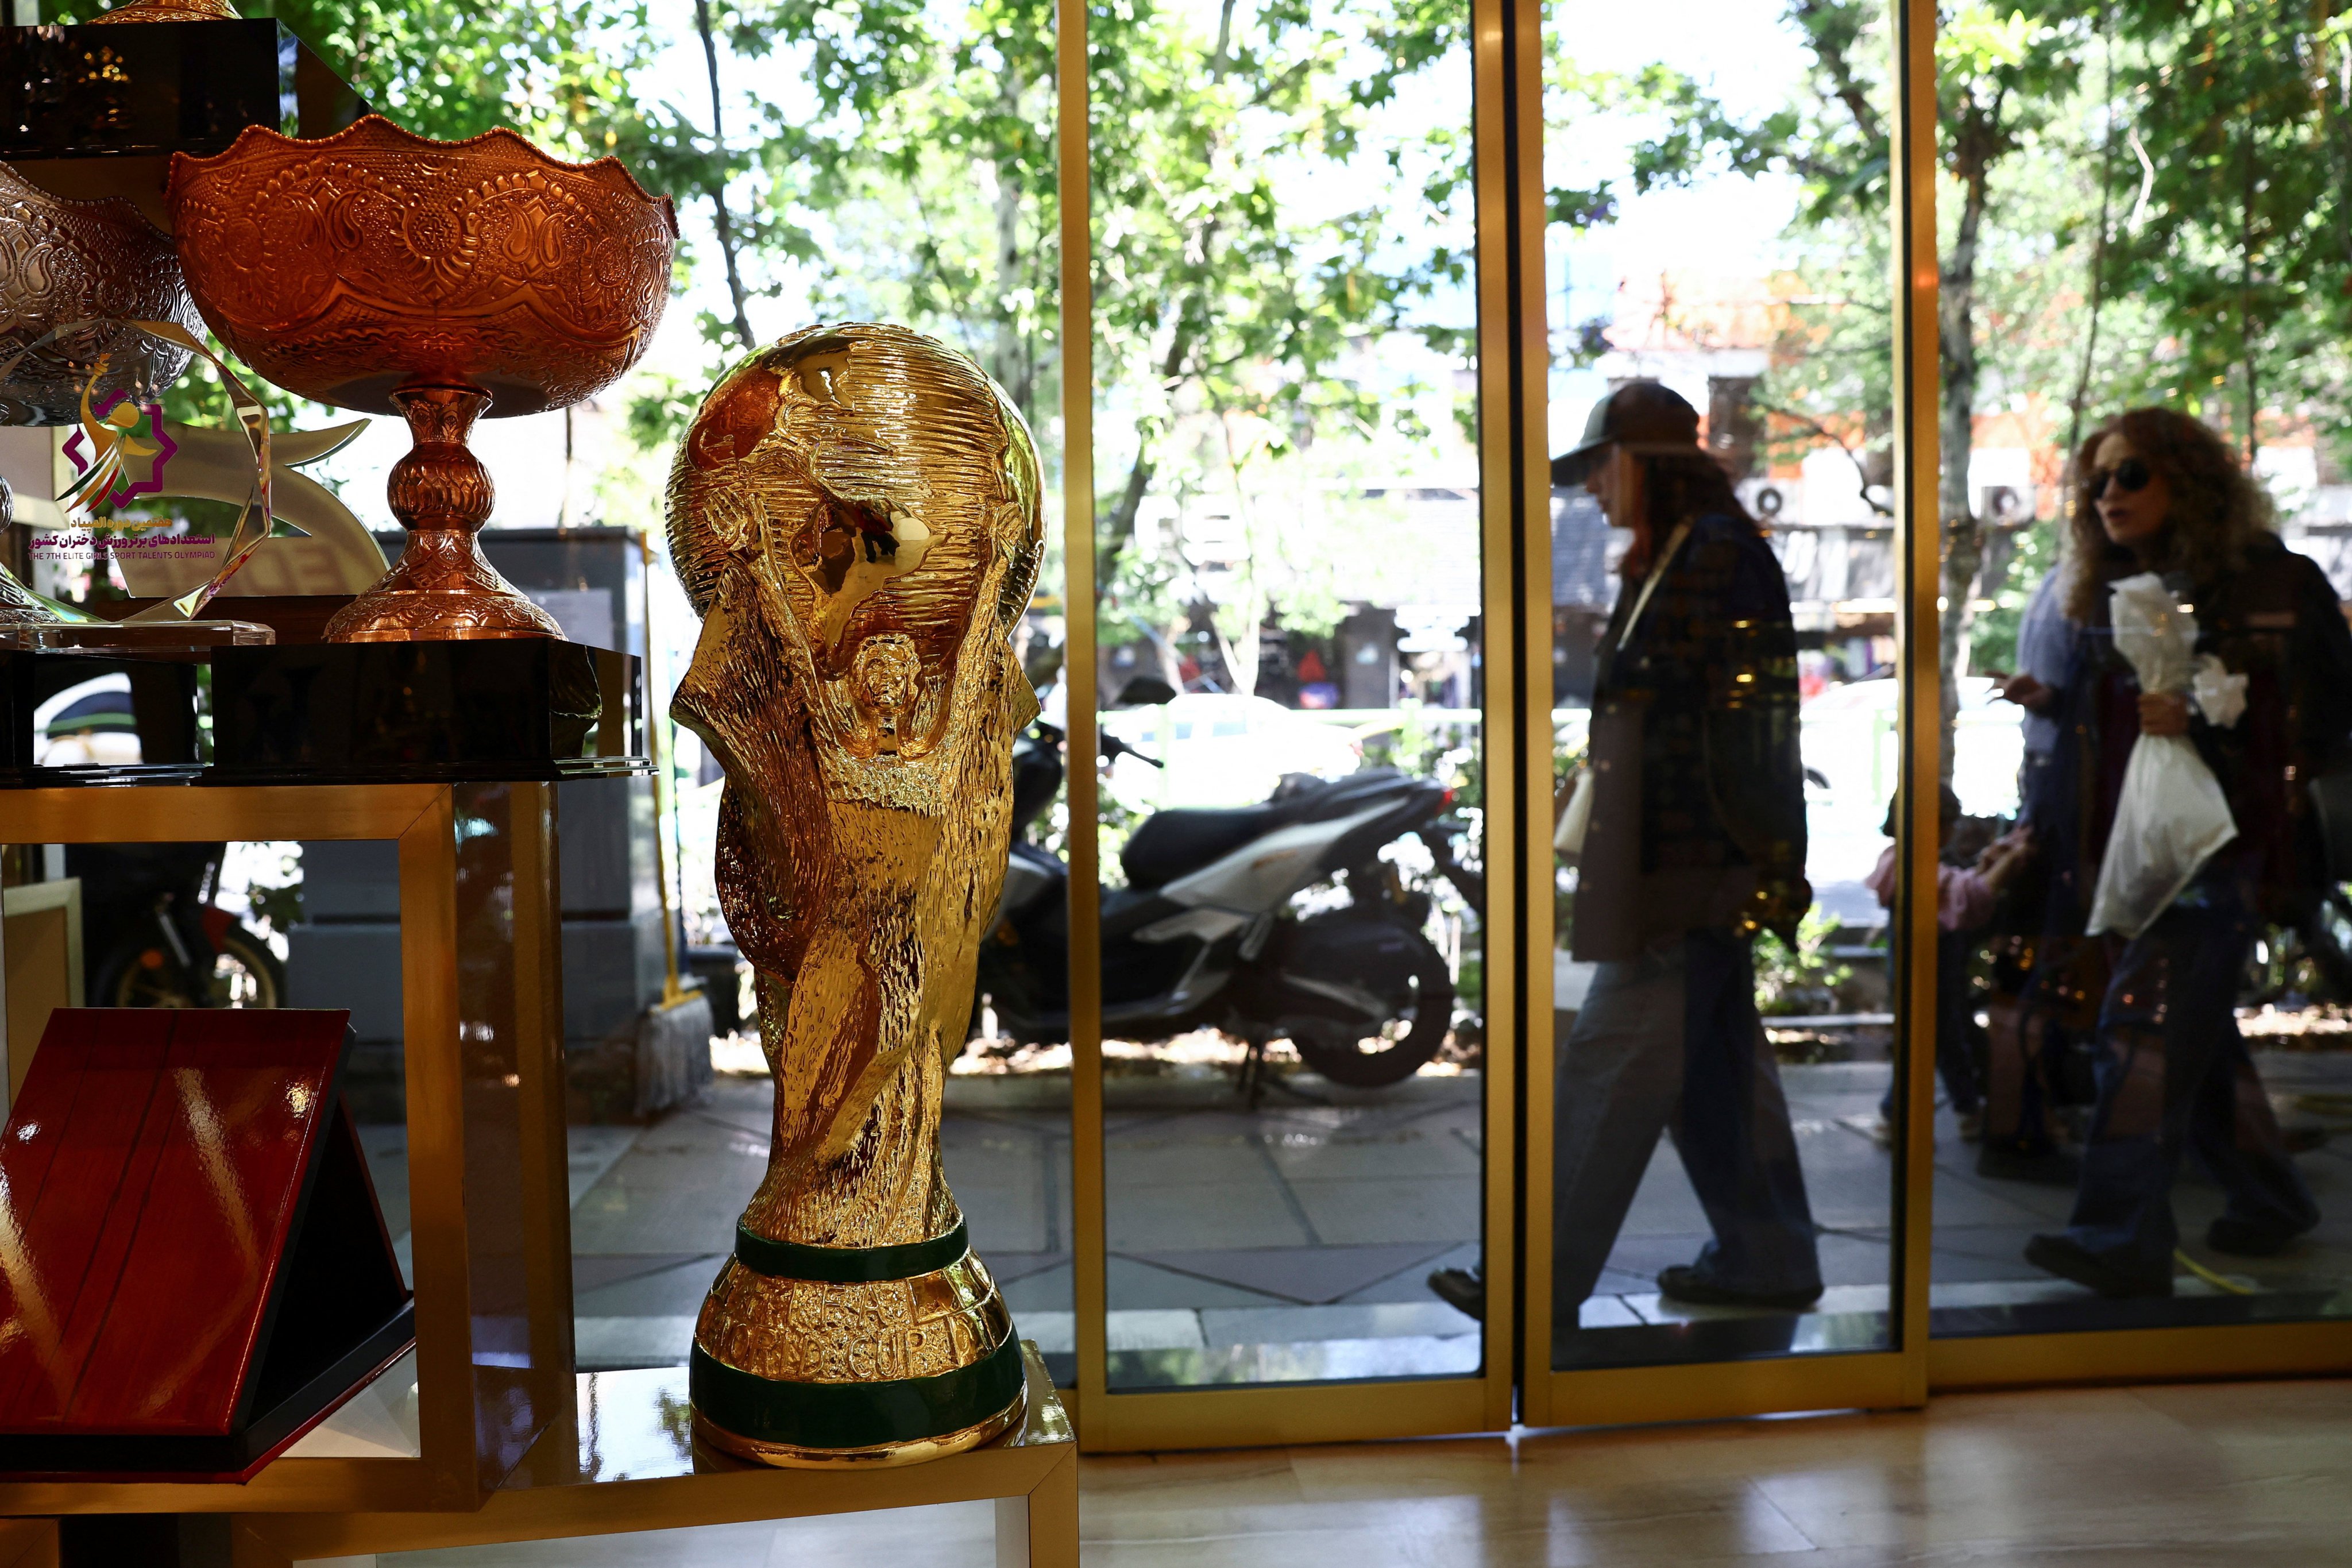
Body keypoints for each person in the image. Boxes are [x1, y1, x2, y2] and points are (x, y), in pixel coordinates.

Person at [2026, 407, 2352, 1298]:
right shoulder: (2110, 588)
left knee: (2137, 1027)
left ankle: (2117, 1235)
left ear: (2188, 479)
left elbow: (2325, 718)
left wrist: (2212, 717)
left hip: (2229, 854)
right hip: (2144, 851)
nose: (2105, 495)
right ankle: (2267, 1197)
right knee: (2191, 1042)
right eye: (2094, 480)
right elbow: (2109, 738)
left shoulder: (2272, 581)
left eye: (2128, 474)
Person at [1543, 380, 1822, 1334]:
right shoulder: (1686, 554)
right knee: (1716, 1071)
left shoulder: (1710, 555)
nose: (1590, 490)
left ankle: (1534, 1284)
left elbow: (1745, 723)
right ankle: (1768, 1259)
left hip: (1684, 868)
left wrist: (1757, 858)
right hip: (1689, 862)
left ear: (1640, 463)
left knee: (1606, 1067)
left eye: (1597, 469)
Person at [1853, 787, 2035, 1147]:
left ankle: (1964, 1110)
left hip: (1931, 972)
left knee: (1946, 1037)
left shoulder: (1900, 861)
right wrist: (2008, 860)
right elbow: (1969, 896)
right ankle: (1898, 1116)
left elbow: (1958, 889)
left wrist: (1994, 861)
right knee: (1932, 1039)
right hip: (1926, 971)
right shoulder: (1907, 865)